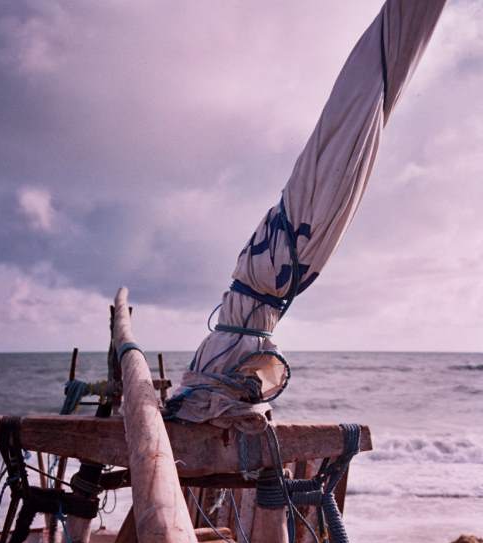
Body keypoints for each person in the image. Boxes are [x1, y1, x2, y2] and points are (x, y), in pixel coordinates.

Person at [167, 0, 447, 432]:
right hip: (283, 259)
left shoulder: (281, 258)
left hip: (281, 261)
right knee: (362, 104)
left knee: (361, 104)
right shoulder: (289, 250)